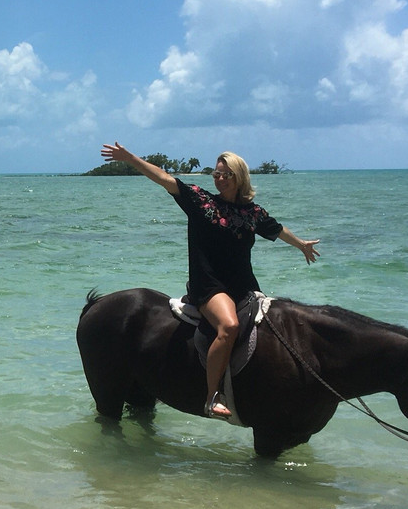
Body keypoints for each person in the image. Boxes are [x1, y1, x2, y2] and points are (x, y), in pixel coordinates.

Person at [99, 142, 320, 419]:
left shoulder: (252, 213)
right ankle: (212, 396)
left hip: (245, 287)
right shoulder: (201, 202)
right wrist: (129, 158)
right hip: (209, 286)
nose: (219, 179)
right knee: (228, 326)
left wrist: (301, 245)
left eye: (226, 175)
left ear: (240, 178)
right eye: (216, 174)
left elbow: (277, 230)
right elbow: (164, 179)